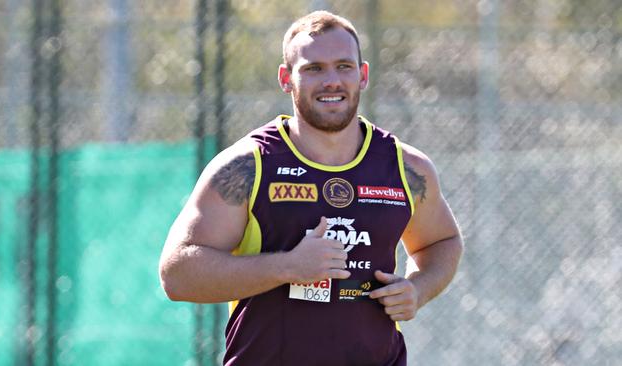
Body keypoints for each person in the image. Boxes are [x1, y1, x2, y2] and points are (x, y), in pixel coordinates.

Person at [159, 10, 463, 366]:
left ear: (362, 76)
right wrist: (288, 266)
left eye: (344, 66)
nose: (331, 81)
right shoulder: (248, 166)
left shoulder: (406, 168)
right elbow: (177, 274)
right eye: (313, 68)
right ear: (286, 78)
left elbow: (442, 242)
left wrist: (418, 289)